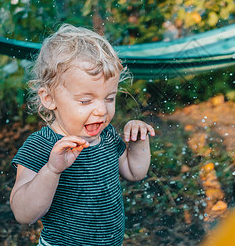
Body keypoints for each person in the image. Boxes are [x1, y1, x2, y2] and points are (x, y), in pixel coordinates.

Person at [9, 24, 155, 246]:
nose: (102, 110)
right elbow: (23, 214)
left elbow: (135, 172)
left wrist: (138, 142)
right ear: (48, 99)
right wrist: (52, 169)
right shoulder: (41, 146)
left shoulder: (107, 136)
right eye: (86, 101)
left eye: (109, 98)